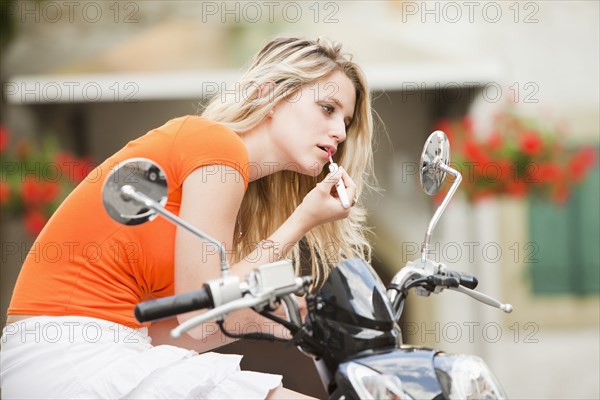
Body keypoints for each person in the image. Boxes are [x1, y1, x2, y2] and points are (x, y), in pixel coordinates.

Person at [0, 36, 375, 399]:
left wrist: (270, 323)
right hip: (73, 354)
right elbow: (203, 307)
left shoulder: (228, 183)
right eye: (328, 108)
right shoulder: (217, 146)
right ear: (269, 94)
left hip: (60, 358)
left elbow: (188, 327)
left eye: (346, 120)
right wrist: (301, 220)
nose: (340, 132)